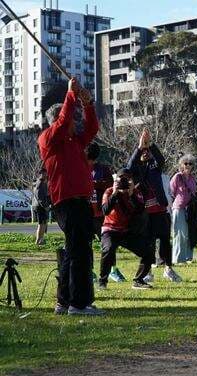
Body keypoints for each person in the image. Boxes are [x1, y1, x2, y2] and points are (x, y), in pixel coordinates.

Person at [38, 77, 102, 316]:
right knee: (79, 253)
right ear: (56, 121)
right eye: (71, 120)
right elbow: (64, 119)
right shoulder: (48, 139)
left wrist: (89, 105)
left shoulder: (75, 141)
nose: (76, 123)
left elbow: (93, 128)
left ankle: (64, 302)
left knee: (75, 251)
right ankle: (78, 303)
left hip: (80, 201)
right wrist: (71, 95)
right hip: (67, 201)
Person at [127, 129, 182, 283]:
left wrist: (149, 144)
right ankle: (147, 272)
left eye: (147, 151)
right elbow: (129, 166)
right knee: (148, 243)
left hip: (160, 210)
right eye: (143, 152)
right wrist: (139, 147)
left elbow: (161, 159)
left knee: (165, 240)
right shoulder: (136, 170)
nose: (145, 153)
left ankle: (168, 269)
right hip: (145, 213)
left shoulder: (154, 167)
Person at [99, 168, 154, 290]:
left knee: (149, 252)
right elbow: (105, 211)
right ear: (116, 180)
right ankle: (102, 282)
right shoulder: (109, 192)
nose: (124, 182)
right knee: (108, 250)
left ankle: (138, 280)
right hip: (110, 230)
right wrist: (115, 193)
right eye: (121, 179)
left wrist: (131, 195)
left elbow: (140, 211)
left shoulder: (135, 193)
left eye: (127, 179)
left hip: (126, 231)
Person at [85, 143, 116, 282]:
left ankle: (112, 271)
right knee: (86, 245)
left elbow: (110, 185)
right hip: (85, 213)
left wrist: (94, 184)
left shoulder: (103, 169)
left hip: (101, 214)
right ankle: (89, 271)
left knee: (108, 244)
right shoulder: (80, 169)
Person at [170, 154, 197, 265]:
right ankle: (177, 258)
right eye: (186, 163)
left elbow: (194, 192)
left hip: (189, 209)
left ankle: (187, 257)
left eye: (190, 163)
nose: (188, 165)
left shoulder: (192, 178)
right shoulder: (177, 177)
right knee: (179, 234)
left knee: (188, 234)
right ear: (181, 165)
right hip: (178, 207)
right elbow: (171, 191)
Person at [32, 168, 51, 246]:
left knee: (43, 223)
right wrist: (45, 206)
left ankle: (41, 239)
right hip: (40, 206)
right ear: (40, 174)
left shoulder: (42, 182)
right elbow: (39, 196)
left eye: (45, 173)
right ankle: (38, 240)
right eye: (43, 173)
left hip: (39, 205)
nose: (45, 175)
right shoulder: (40, 183)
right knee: (41, 224)